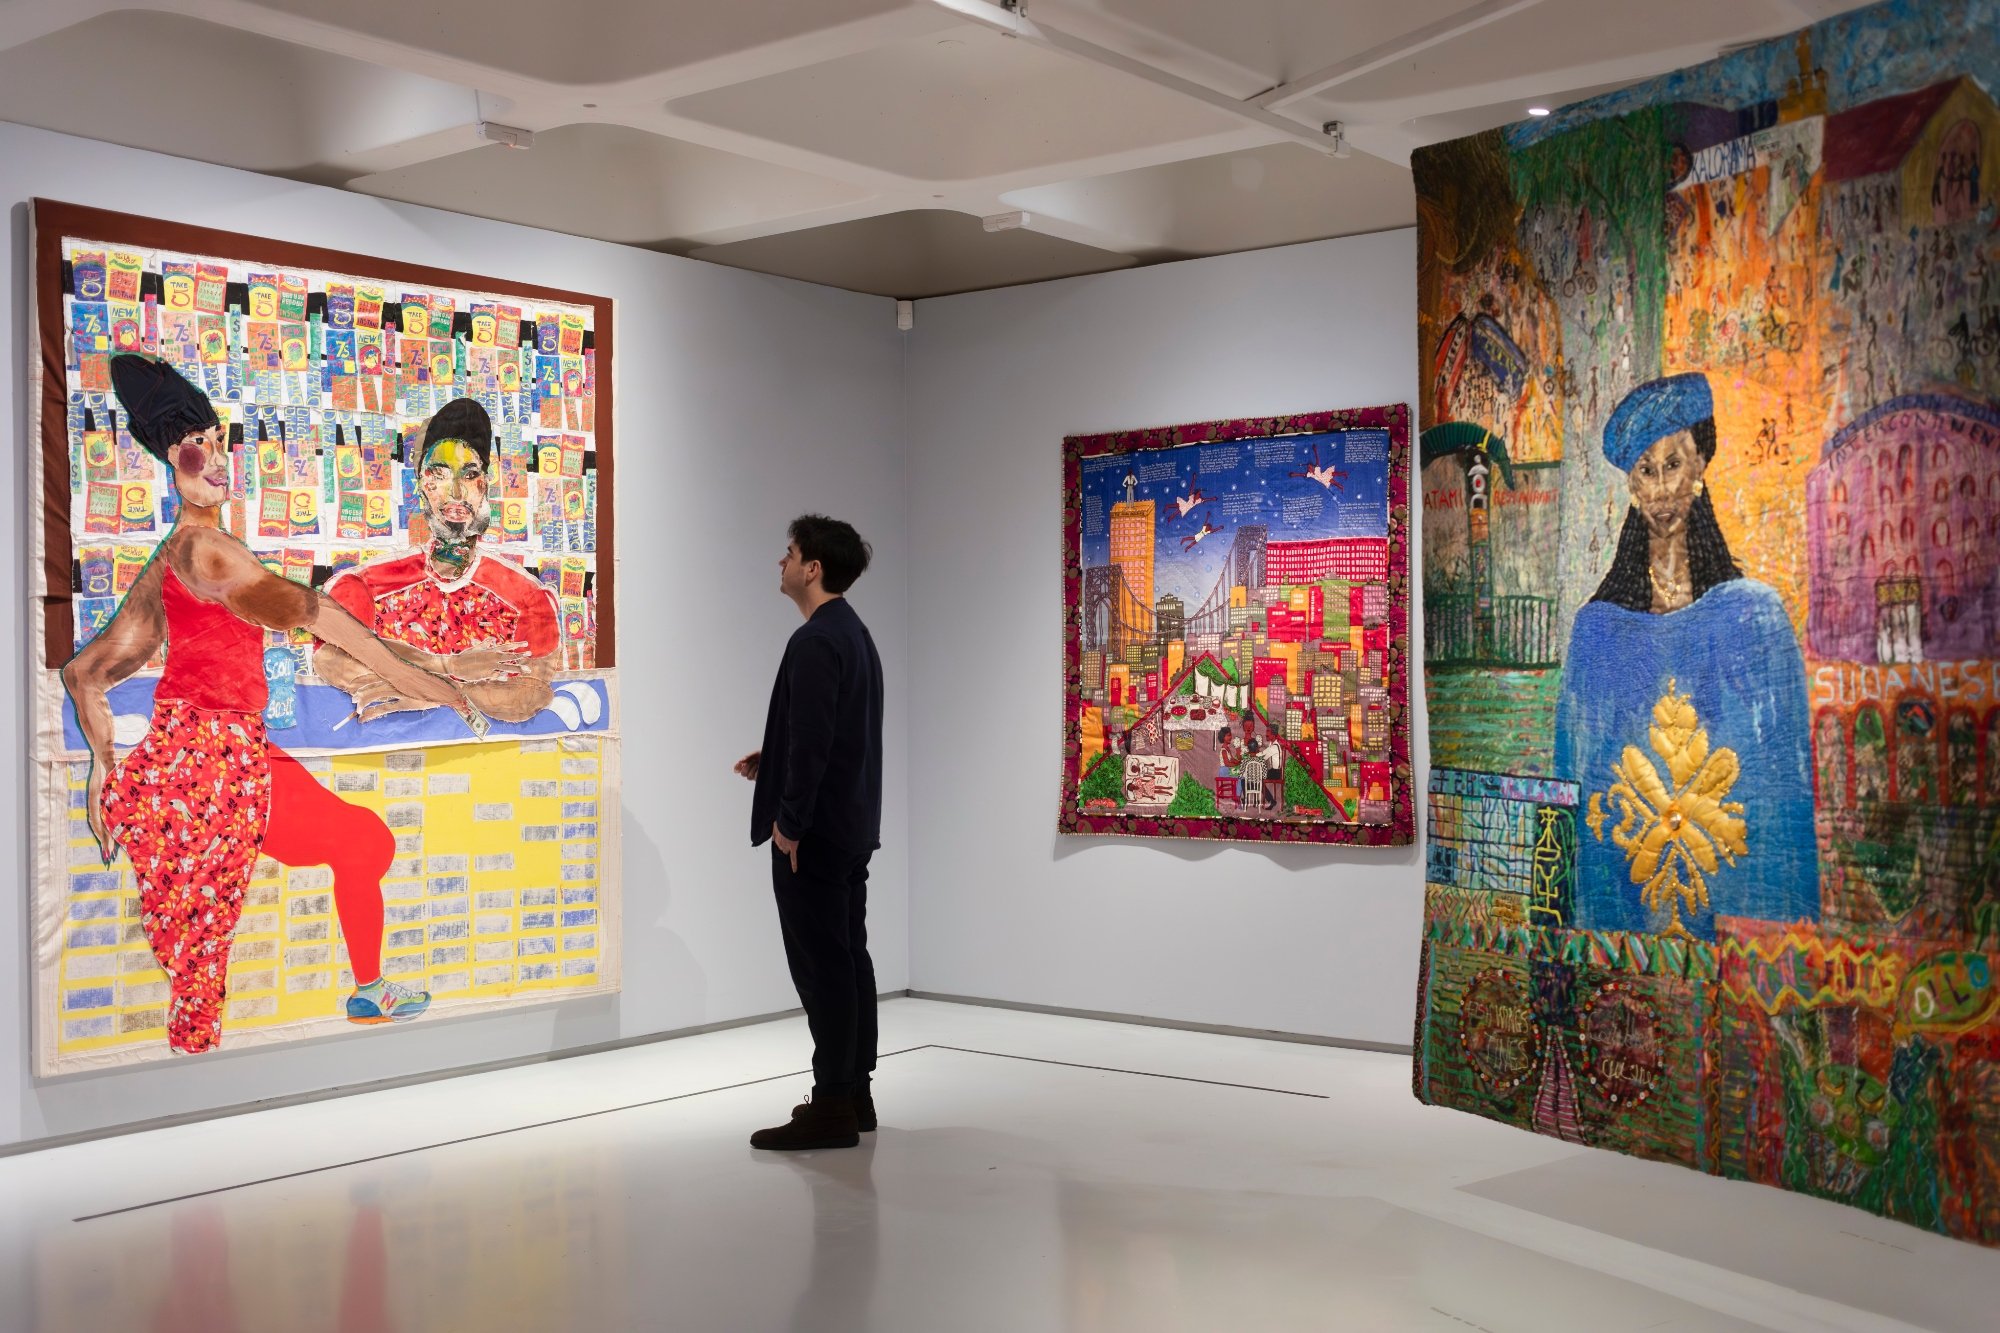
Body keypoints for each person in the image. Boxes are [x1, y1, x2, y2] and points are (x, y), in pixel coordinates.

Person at [63, 355, 469, 1053]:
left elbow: (84, 674)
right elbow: (319, 616)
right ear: (171, 459)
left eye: (221, 443)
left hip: (190, 754)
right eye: (199, 447)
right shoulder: (211, 553)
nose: (216, 460)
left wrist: (107, 767)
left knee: (342, 851)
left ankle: (362, 993)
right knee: (228, 937)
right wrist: (433, 685)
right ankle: (353, 999)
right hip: (217, 768)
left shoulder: (171, 556)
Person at [1554, 372, 1818, 940]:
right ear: (1631, 486)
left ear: (1701, 466)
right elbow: (1579, 787)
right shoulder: (1596, 632)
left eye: (1673, 464)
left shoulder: (1755, 618)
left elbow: (1780, 796)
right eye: (1645, 472)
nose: (1660, 489)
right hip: (1629, 903)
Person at [734, 515, 884, 1150]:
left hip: (816, 835)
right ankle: (853, 1094)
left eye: (789, 553)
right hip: (849, 824)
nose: (782, 563)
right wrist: (774, 763)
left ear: (813, 567)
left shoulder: (817, 641)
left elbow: (820, 741)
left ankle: (830, 1106)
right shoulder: (852, 634)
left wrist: (789, 824)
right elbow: (834, 736)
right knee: (848, 959)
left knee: (822, 967)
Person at [317, 399, 559, 723]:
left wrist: (418, 691)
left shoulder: (527, 599)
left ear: (485, 484)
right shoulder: (364, 587)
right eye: (440, 475)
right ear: (421, 486)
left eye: (470, 474)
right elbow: (332, 661)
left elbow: (533, 694)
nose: (456, 492)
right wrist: (451, 669)